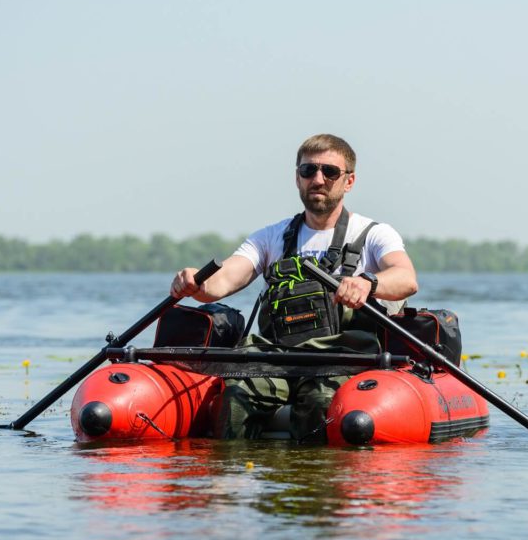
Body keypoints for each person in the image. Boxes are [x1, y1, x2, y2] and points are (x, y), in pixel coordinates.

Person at [170, 134, 418, 442]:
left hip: (342, 358)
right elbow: (221, 282)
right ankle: (232, 479)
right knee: (236, 396)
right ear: (297, 178)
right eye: (308, 171)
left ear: (349, 181)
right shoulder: (270, 236)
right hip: (277, 357)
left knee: (320, 402)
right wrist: (196, 280)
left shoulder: (373, 234)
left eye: (330, 172)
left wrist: (369, 282)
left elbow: (406, 279)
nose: (318, 179)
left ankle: (312, 486)